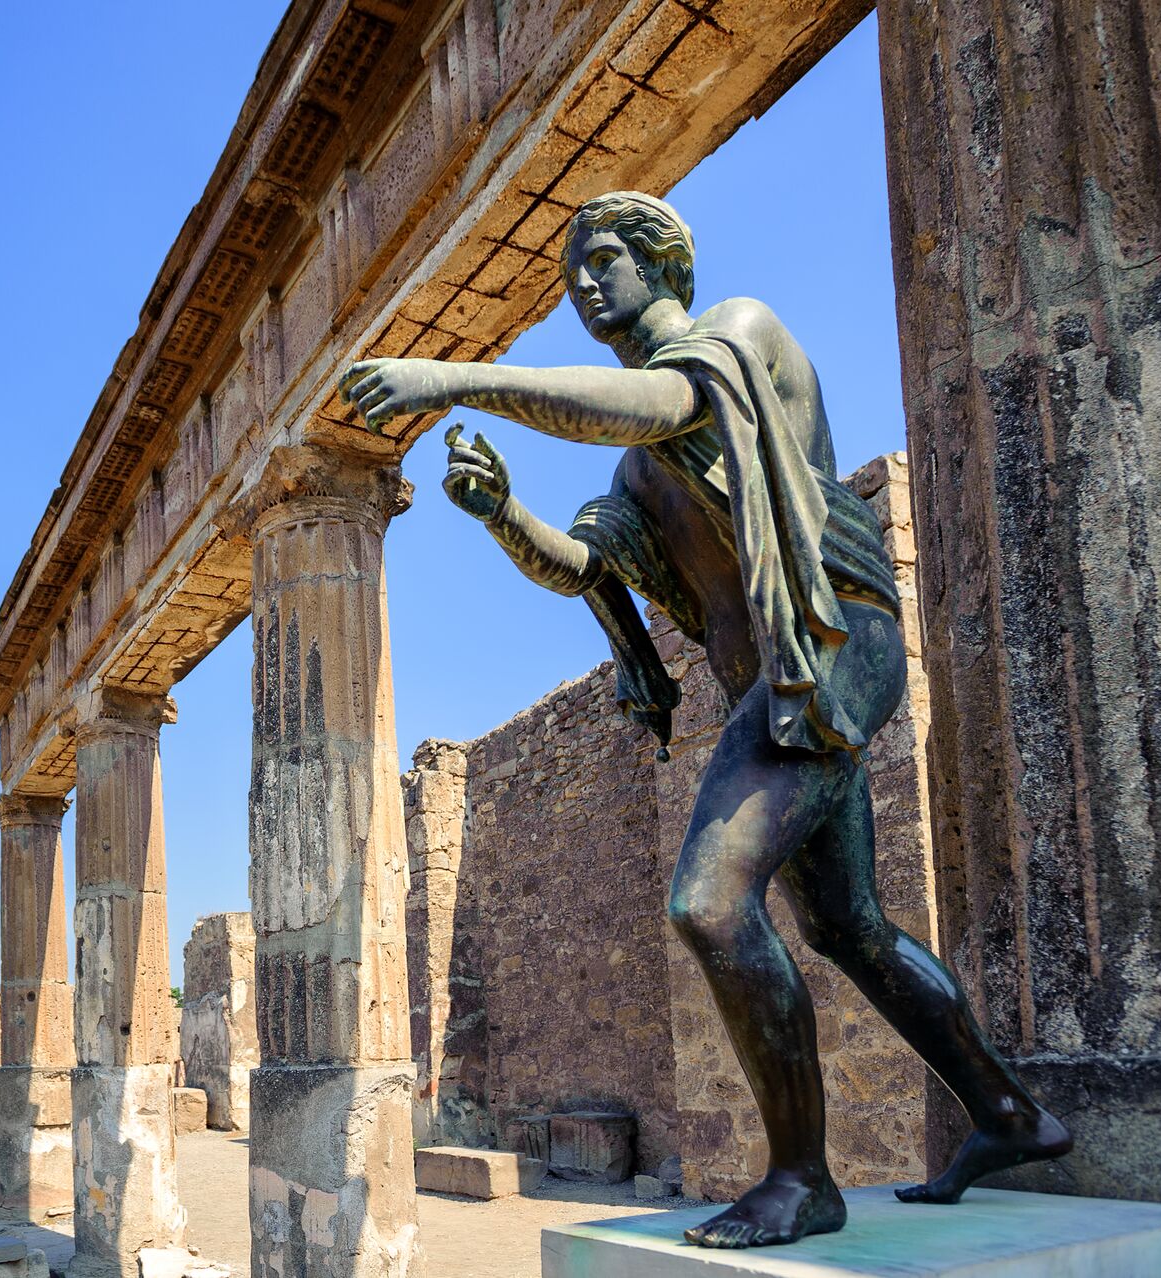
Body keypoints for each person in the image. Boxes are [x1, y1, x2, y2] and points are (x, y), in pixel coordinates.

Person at [339, 191, 1070, 1249]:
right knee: (849, 928)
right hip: (781, 682)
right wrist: (504, 515)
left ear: (661, 261)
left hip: (824, 651)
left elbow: (658, 406)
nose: (582, 283)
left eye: (602, 258)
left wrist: (454, 378)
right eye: (569, 272)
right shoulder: (636, 470)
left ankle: (802, 1176)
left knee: (710, 903)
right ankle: (1008, 1114)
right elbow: (588, 566)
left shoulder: (738, 334)